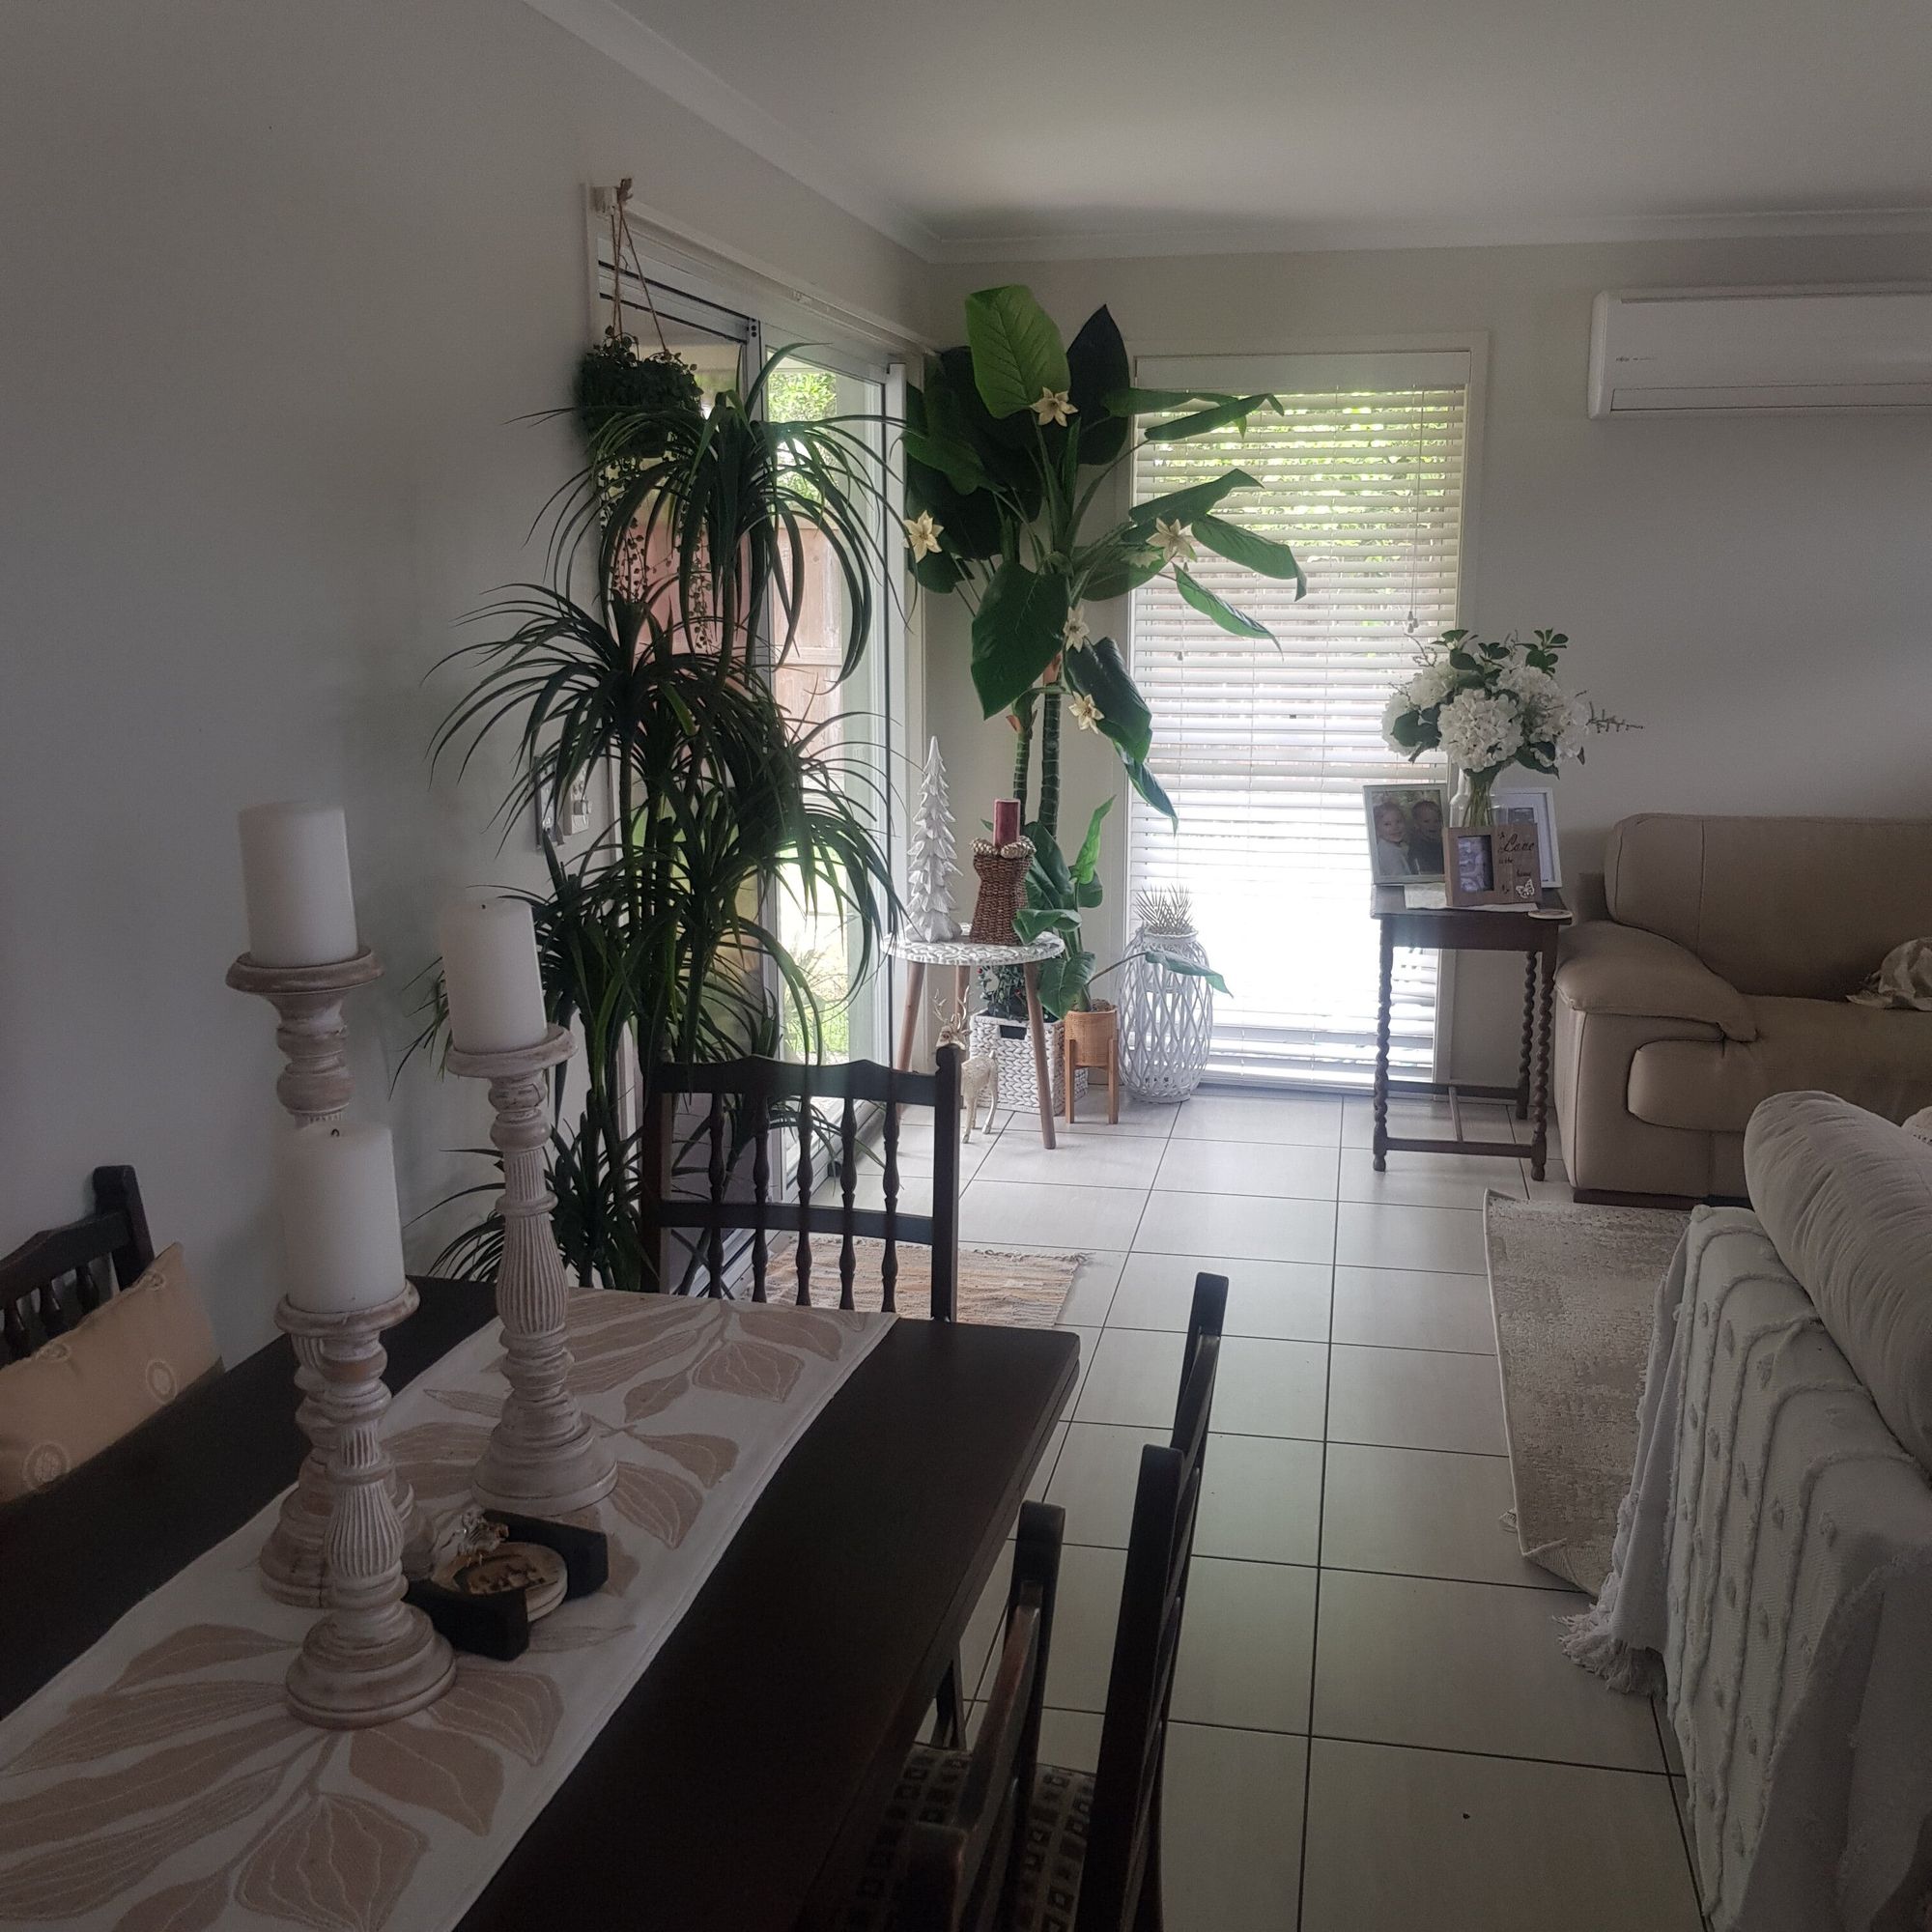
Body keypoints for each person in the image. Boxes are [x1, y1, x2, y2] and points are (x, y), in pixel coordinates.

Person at [1372, 798, 1422, 877]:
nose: (1395, 827)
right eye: (1387, 824)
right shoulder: (1387, 849)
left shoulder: (1400, 845)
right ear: (1377, 830)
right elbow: (1397, 876)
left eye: (1398, 821)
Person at [1406, 794, 1445, 875]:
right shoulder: (1417, 847)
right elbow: (1422, 873)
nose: (1432, 825)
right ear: (1416, 824)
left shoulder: (1439, 844)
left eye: (1436, 821)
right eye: (1426, 821)